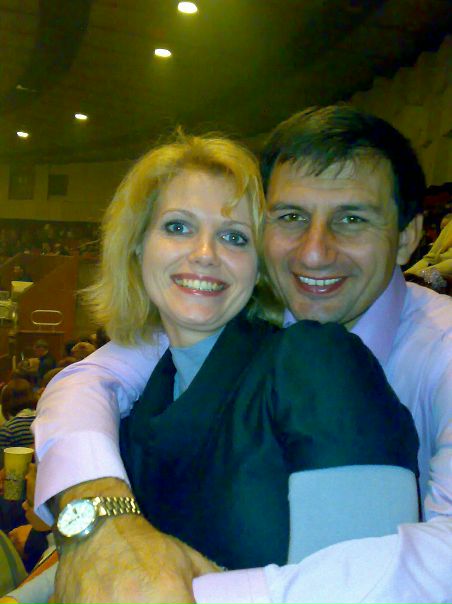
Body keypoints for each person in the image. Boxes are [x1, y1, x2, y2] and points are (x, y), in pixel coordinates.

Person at [33, 106, 452, 603]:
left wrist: (189, 593)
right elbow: (87, 383)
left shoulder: (332, 356)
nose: (314, 252)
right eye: (177, 227)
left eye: (234, 236)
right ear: (136, 245)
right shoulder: (161, 380)